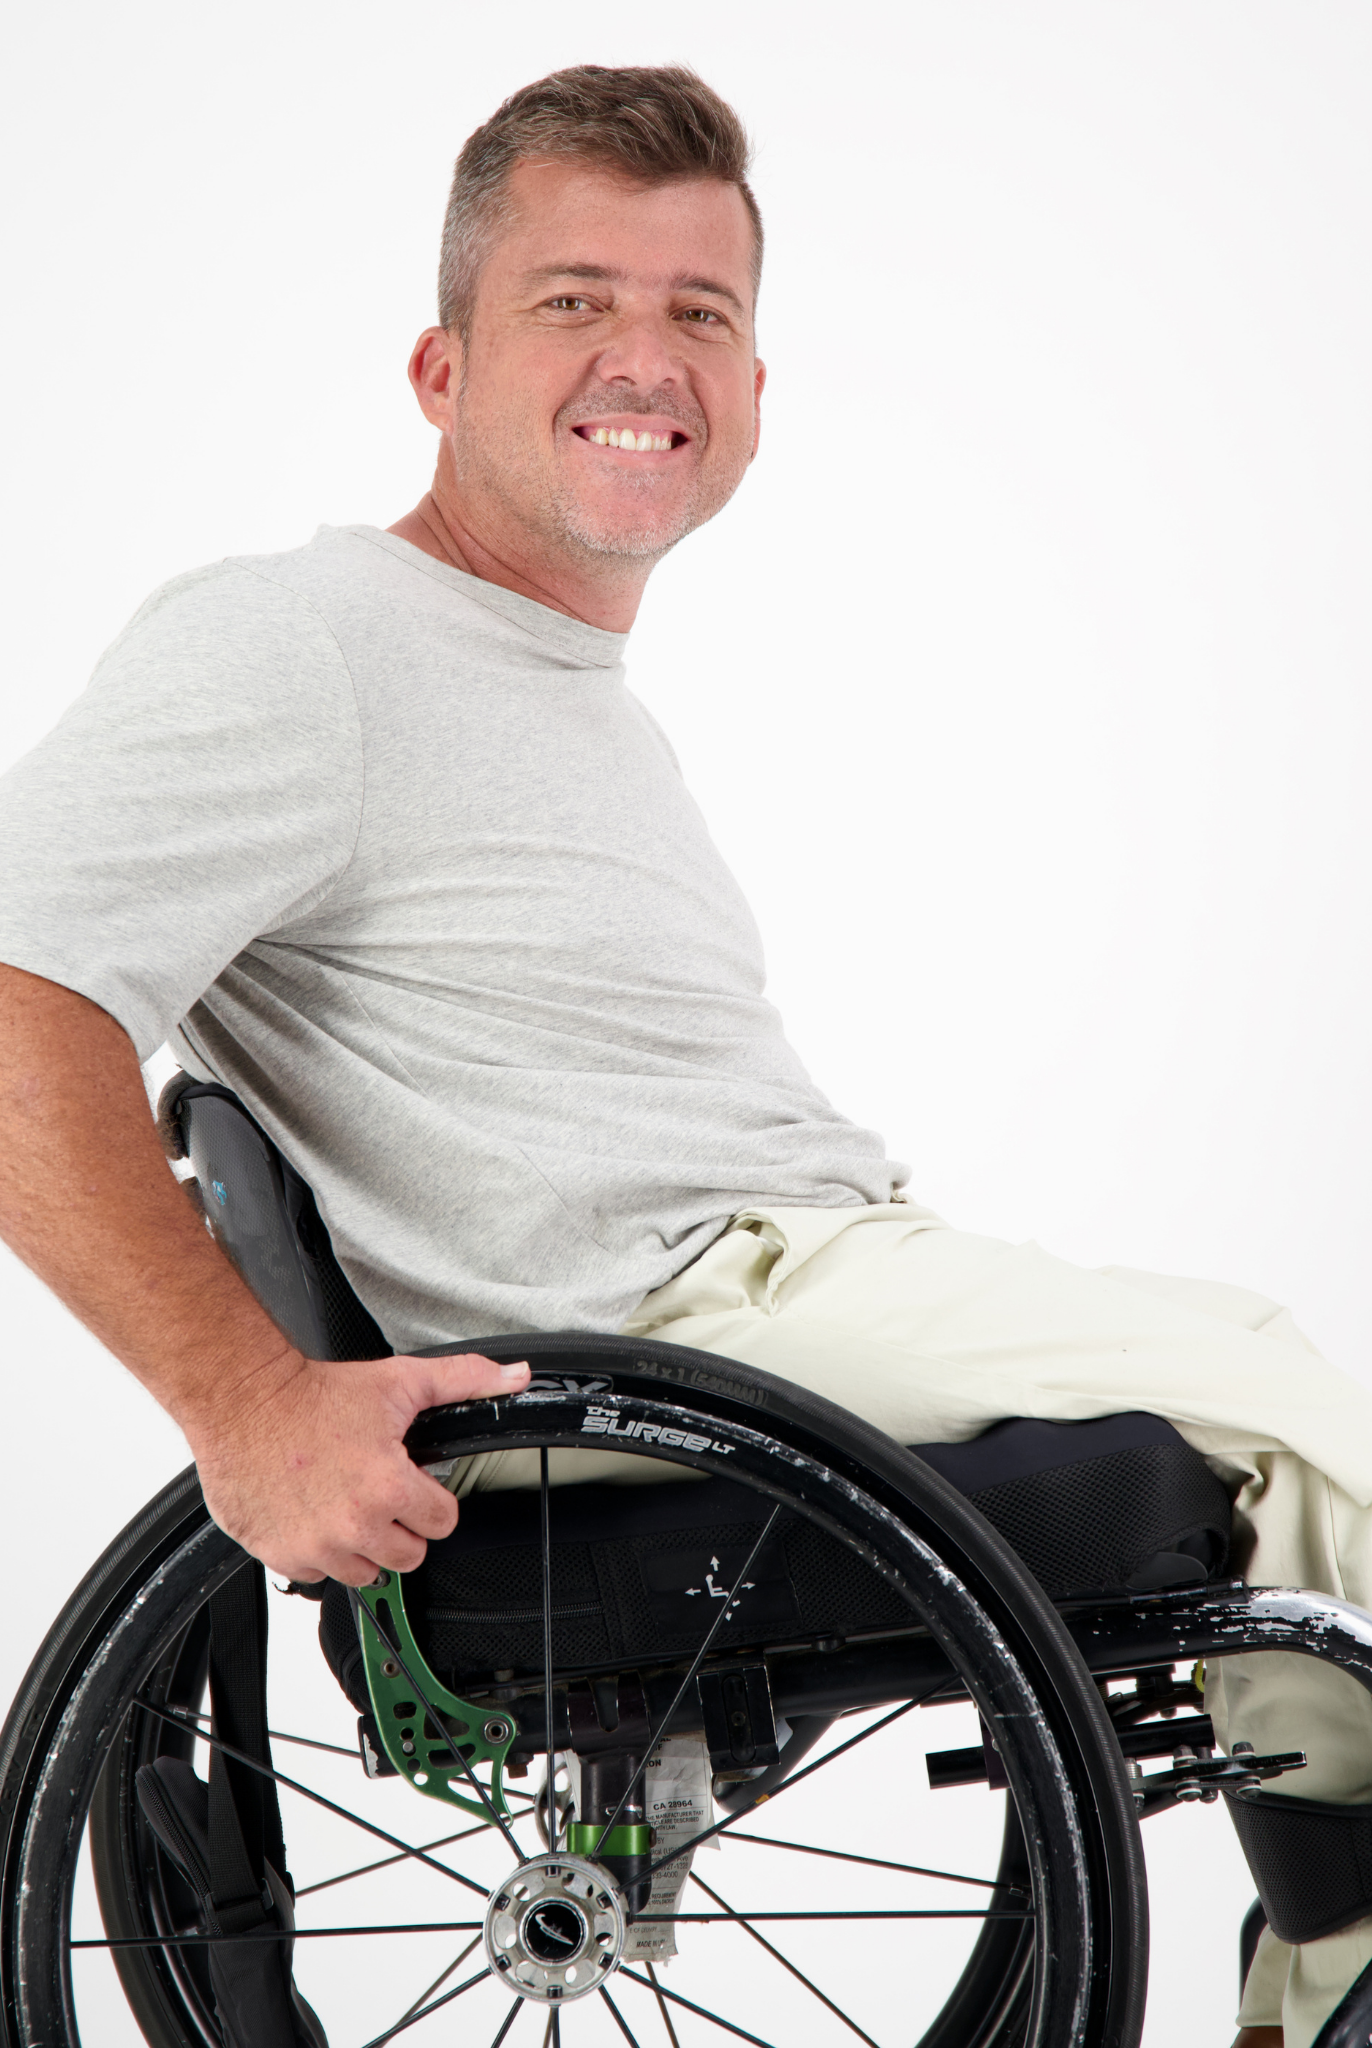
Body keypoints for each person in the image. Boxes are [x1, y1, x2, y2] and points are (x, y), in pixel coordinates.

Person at [0, 64, 1364, 2047]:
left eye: (696, 314)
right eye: (573, 300)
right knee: (1282, 1404)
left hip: (763, 1292)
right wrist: (245, 1403)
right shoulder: (298, 643)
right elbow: (19, 990)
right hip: (666, 1332)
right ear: (436, 363)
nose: (643, 354)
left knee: (1268, 1453)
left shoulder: (555, 689)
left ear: (747, 390)